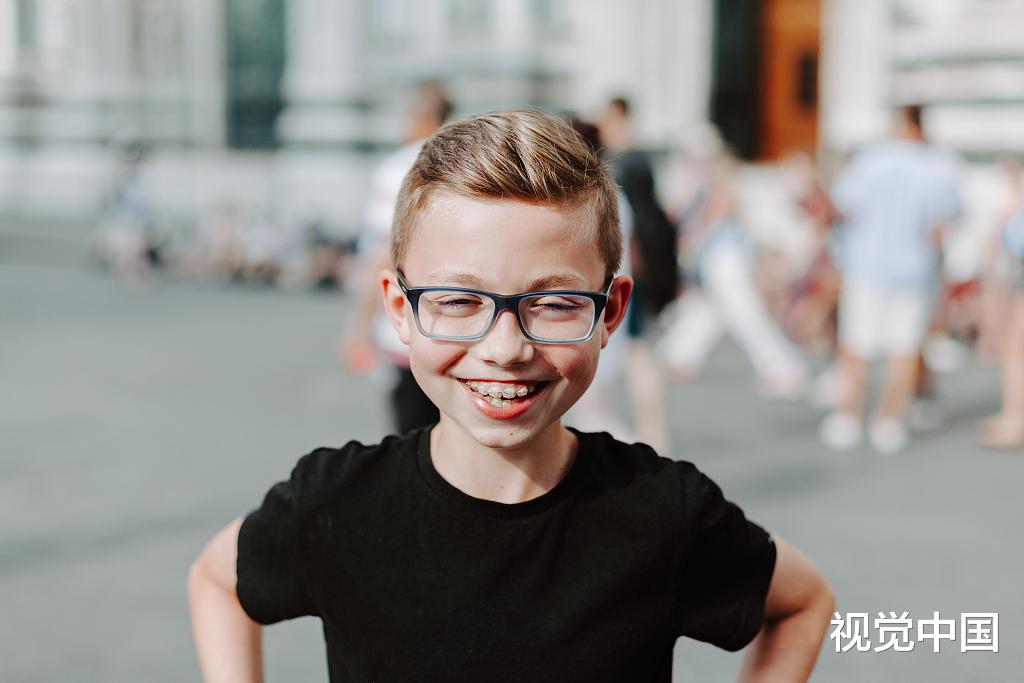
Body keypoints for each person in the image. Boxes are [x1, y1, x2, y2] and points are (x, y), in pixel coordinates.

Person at [189, 110, 833, 682]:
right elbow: (217, 580)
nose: (505, 347)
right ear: (400, 309)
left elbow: (803, 602)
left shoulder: (664, 512)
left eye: (555, 303)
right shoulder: (335, 504)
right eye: (457, 301)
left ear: (611, 312)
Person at [820, 104, 960, 454]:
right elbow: (940, 228)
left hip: (866, 266)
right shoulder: (938, 166)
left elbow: (843, 207)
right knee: (904, 348)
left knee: (856, 345)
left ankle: (848, 417)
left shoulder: (870, 160)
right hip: (914, 271)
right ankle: (889, 421)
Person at [340, 81, 452, 434]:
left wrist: (358, 327)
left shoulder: (400, 168)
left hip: (408, 329)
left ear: (419, 116)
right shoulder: (466, 163)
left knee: (413, 440)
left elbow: (386, 254)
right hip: (465, 328)